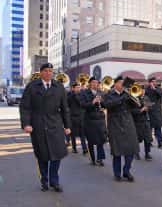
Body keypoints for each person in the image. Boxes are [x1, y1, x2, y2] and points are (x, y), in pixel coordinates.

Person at [19, 63, 71, 192]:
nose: (49, 73)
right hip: (38, 124)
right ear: (41, 72)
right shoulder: (32, 86)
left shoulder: (59, 87)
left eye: (50, 71)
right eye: (46, 71)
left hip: (55, 124)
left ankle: (54, 181)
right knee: (42, 155)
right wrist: (26, 124)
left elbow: (65, 109)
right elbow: (25, 107)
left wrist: (67, 126)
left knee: (57, 153)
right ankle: (44, 180)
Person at [103, 76, 140, 182]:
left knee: (131, 150)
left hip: (128, 124)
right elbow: (107, 104)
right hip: (115, 124)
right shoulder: (109, 94)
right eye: (121, 83)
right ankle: (117, 173)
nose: (123, 85)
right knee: (117, 152)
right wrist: (122, 98)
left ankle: (126, 171)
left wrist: (134, 98)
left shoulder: (127, 94)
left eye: (124, 83)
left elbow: (136, 107)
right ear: (115, 84)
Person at [81, 77, 107, 166]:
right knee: (91, 140)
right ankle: (92, 158)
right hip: (90, 119)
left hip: (100, 118)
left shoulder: (101, 93)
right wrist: (93, 102)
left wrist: (102, 101)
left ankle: (100, 158)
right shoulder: (84, 93)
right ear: (90, 83)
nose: (96, 84)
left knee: (101, 139)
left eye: (97, 83)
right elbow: (83, 105)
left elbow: (105, 105)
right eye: (94, 82)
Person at [131, 88, 153, 161]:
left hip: (146, 120)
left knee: (148, 138)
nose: (143, 91)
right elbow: (132, 110)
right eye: (141, 90)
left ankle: (147, 153)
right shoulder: (134, 99)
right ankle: (136, 153)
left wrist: (148, 108)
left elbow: (150, 106)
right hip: (137, 121)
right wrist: (141, 110)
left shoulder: (146, 98)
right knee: (137, 138)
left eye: (143, 90)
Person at [67, 82, 88, 154]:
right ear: (73, 88)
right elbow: (67, 103)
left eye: (79, 87)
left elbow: (83, 103)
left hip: (81, 116)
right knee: (73, 134)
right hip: (73, 116)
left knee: (82, 133)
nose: (78, 89)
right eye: (77, 87)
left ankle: (84, 148)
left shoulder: (83, 94)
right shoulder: (70, 95)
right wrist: (74, 94)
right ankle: (74, 148)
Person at [145, 77, 162, 148]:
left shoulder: (158, 88)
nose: (154, 83)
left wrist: (154, 89)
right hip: (149, 111)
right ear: (149, 82)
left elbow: (160, 95)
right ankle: (149, 142)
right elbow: (145, 99)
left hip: (157, 111)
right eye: (152, 81)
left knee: (158, 128)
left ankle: (160, 142)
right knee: (149, 129)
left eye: (155, 81)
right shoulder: (147, 89)